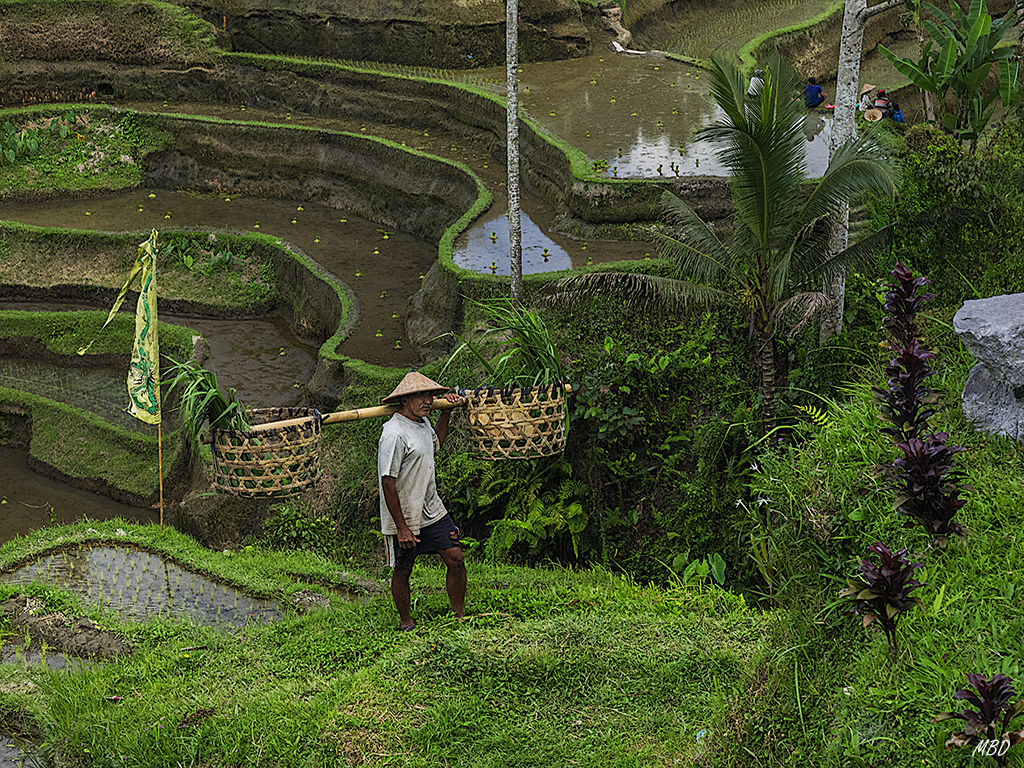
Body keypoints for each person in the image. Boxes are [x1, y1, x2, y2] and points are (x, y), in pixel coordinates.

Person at [378, 370, 465, 631]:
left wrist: (445, 413)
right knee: (404, 568)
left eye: (429, 395)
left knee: (456, 558)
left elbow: (435, 444)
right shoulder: (394, 434)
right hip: (403, 513)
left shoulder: (423, 422)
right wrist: (402, 527)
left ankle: (459, 616)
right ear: (405, 399)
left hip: (430, 507)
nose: (427, 400)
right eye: (420, 395)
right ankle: (406, 622)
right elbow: (387, 482)